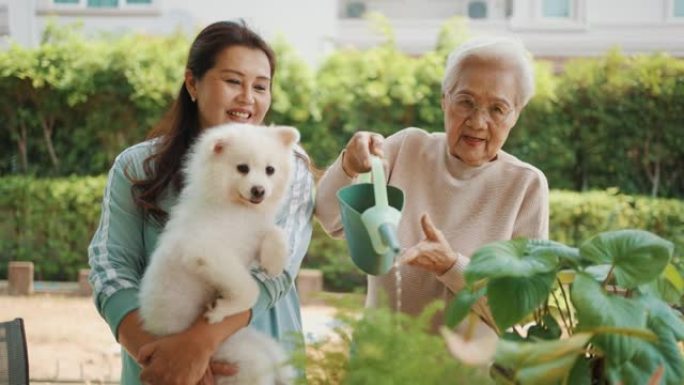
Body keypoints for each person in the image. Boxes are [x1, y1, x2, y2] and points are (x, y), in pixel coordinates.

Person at [88, 21, 315, 385]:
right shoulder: (136, 166)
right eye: (232, 81)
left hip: (256, 363)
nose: (247, 97)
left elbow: (275, 273)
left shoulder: (288, 167)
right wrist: (164, 359)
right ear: (193, 83)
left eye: (260, 86)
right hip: (157, 365)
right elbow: (111, 267)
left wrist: (198, 348)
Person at [315, 36, 549, 328]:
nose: (478, 122)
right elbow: (329, 217)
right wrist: (348, 165)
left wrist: (451, 266)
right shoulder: (405, 148)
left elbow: (523, 308)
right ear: (444, 100)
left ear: (516, 114)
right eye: (466, 102)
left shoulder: (526, 186)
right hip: (379, 362)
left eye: (497, 109)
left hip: (467, 371)